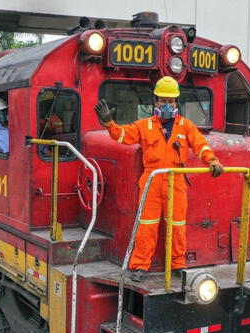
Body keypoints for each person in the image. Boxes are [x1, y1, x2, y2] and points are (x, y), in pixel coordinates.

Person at [94, 76, 224, 282]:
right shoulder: (144, 126)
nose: (167, 105)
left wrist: (213, 161)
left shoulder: (186, 126)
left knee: (177, 225)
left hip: (176, 181)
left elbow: (201, 146)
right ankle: (139, 266)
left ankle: (177, 264)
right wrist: (109, 123)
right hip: (152, 182)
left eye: (171, 101)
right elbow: (122, 136)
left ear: (176, 103)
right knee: (146, 225)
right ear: (155, 101)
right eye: (163, 100)